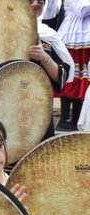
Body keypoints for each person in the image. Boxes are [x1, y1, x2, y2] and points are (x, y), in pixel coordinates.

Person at [28, 0, 73, 138]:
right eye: (30, 1)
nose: (36, 4)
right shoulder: (2, 35)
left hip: (40, 109)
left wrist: (44, 58)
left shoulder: (48, 36)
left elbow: (62, 76)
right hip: (8, 107)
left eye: (40, 1)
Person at [56, 0, 90, 131]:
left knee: (83, 79)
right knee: (71, 77)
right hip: (73, 36)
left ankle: (76, 118)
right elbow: (81, 11)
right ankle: (65, 119)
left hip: (85, 37)